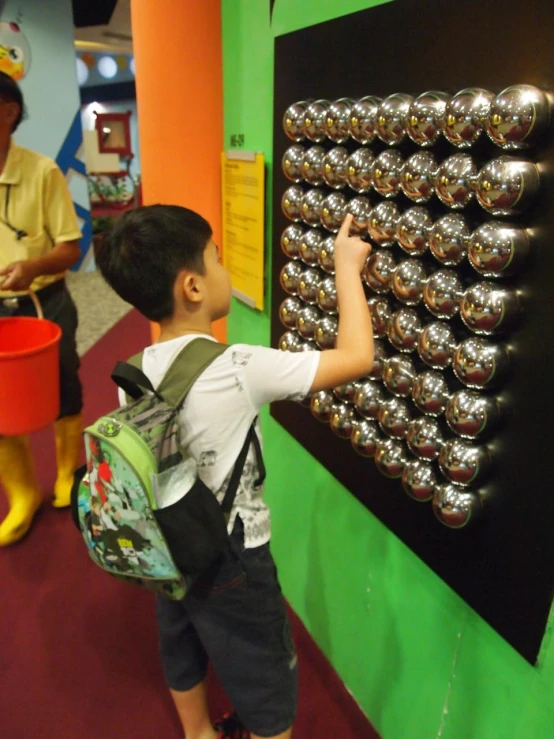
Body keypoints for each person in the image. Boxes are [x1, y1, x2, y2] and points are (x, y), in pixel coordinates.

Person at [95, 204, 374, 739]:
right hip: (232, 556)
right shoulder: (239, 366)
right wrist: (345, 265)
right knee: (264, 672)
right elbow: (357, 357)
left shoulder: (135, 369)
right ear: (193, 287)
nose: (224, 270)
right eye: (217, 259)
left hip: (168, 546)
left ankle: (199, 732)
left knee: (180, 640)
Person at [0, 71, 83, 546]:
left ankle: (65, 477)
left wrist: (33, 268)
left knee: (62, 386)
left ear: (9, 112)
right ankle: (21, 495)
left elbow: (70, 248)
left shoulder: (42, 172)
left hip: (45, 301)